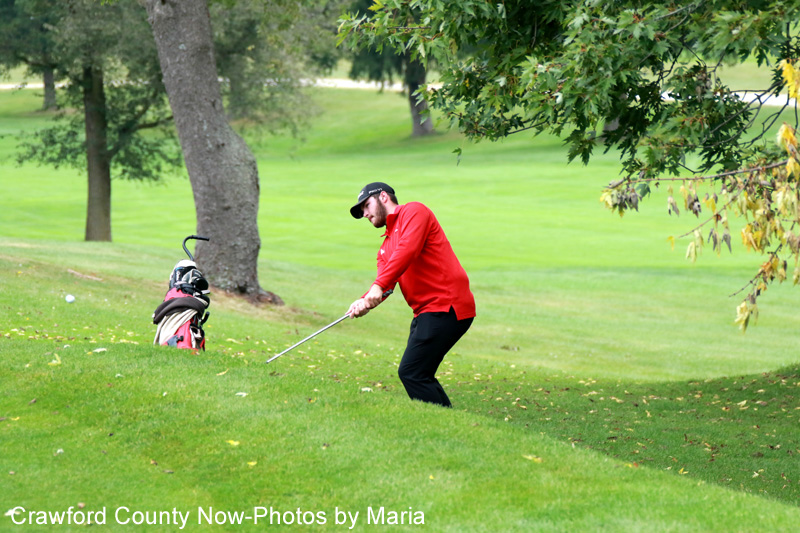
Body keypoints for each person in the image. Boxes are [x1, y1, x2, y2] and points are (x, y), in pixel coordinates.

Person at [347, 182, 475, 407]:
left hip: (447, 306)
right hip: (425, 313)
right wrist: (364, 301)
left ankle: (442, 421)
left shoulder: (414, 211)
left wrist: (378, 285)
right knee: (419, 373)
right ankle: (447, 419)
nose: (365, 214)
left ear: (383, 197)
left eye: (366, 205)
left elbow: (408, 249)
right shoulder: (384, 248)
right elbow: (385, 283)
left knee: (412, 372)